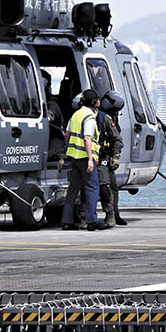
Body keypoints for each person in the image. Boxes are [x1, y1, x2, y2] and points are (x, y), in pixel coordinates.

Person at [61, 89, 104, 231]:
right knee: (92, 188)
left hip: (74, 157)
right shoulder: (89, 117)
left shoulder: (76, 115)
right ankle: (92, 220)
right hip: (85, 158)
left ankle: (66, 221)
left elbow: (67, 135)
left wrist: (69, 149)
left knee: (73, 189)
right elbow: (87, 138)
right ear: (96, 103)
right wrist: (91, 160)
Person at [98, 90, 128, 227]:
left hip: (107, 157)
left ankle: (114, 214)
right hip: (99, 158)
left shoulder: (109, 118)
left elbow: (117, 140)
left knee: (113, 187)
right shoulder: (99, 117)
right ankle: (109, 214)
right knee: (104, 187)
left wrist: (115, 156)